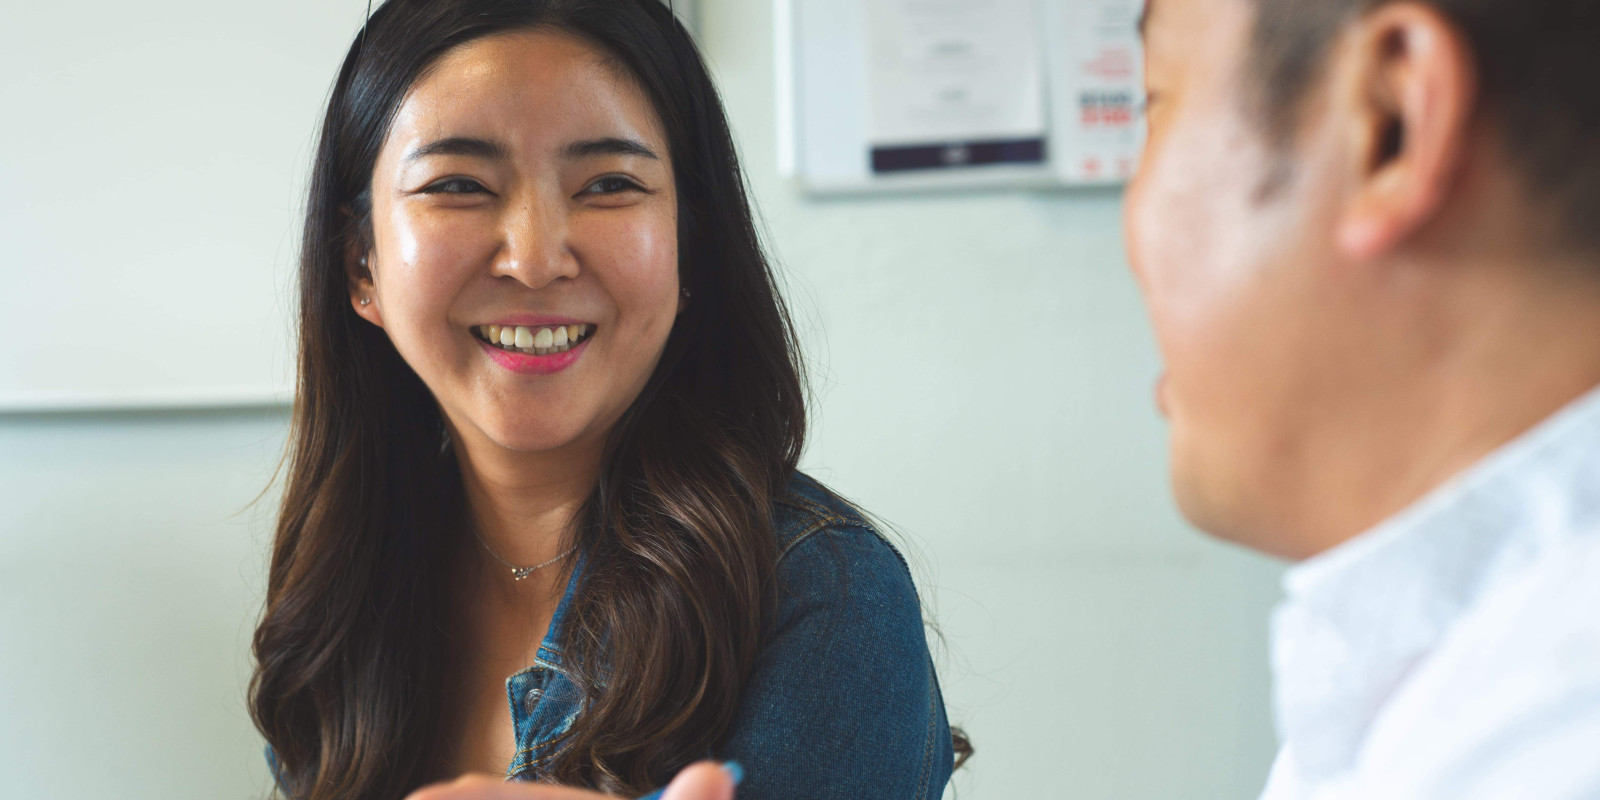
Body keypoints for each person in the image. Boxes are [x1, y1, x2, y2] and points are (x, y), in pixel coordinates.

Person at [417, 0, 1600, 797]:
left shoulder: (1545, 732)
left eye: (1153, 108)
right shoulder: (1436, 678)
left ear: (1389, 120)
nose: (534, 253)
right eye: (458, 186)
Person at [248, 2, 963, 799]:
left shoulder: (821, 597)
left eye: (609, 184)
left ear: (691, 247)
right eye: (458, 184)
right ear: (360, 264)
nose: (535, 258)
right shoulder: (343, 583)